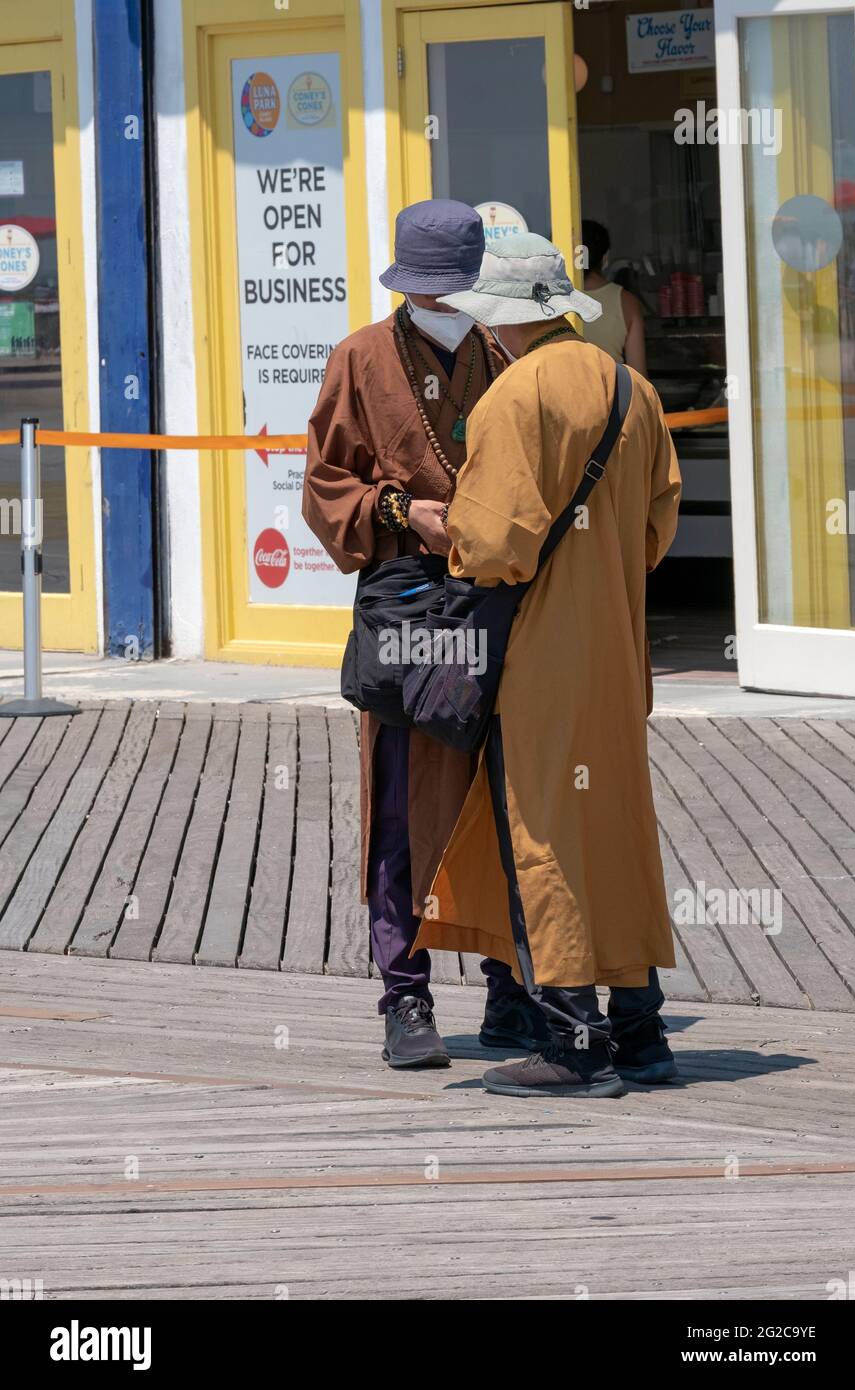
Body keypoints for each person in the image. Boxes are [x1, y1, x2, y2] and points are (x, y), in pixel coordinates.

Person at [412, 233, 682, 1098]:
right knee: (619, 834)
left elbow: (493, 545)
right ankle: (642, 1033)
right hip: (616, 652)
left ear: (499, 317)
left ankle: (573, 1041)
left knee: (544, 835)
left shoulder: (512, 396)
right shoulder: (631, 389)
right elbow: (656, 531)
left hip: (540, 656)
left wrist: (440, 532)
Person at [303, 200, 548, 1070]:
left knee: (502, 795)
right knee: (405, 802)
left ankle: (512, 989)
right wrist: (409, 512)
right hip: (411, 610)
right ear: (408, 283)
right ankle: (404, 996)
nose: (448, 303)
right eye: (435, 289)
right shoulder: (360, 358)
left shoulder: (505, 350)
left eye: (459, 289)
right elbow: (326, 487)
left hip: (496, 608)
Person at [579, 219, 647, 376]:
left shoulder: (550, 299)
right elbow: (639, 377)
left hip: (560, 397)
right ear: (604, 258)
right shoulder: (626, 302)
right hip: (611, 397)